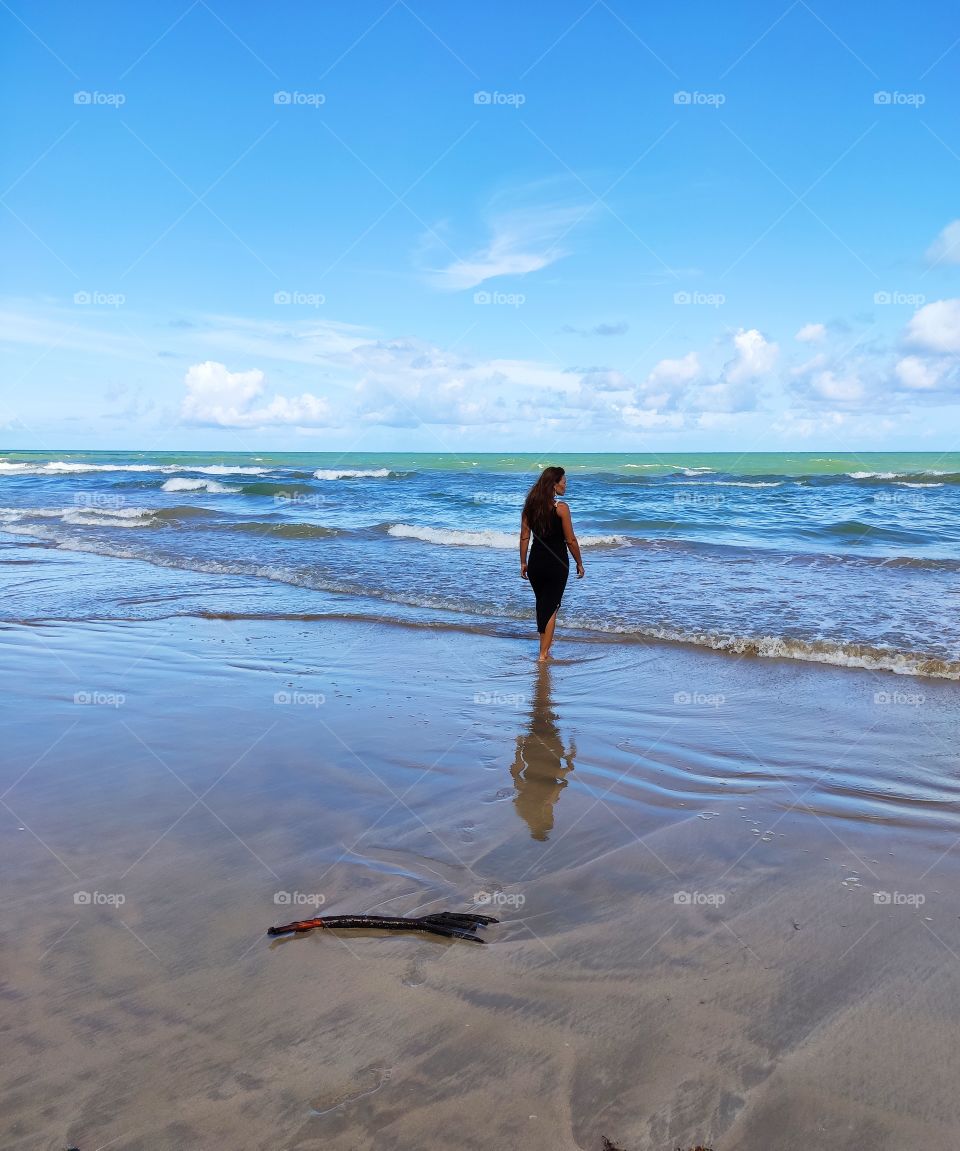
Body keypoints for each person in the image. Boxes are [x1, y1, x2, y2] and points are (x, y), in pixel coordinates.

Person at [519, 465, 584, 661]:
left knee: (543, 605)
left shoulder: (530, 507)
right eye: (564, 482)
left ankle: (544, 645)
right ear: (554, 484)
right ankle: (543, 654)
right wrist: (580, 563)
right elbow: (570, 540)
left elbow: (524, 538)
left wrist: (523, 563)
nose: (566, 486)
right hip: (557, 565)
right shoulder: (561, 509)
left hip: (536, 564)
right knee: (551, 606)